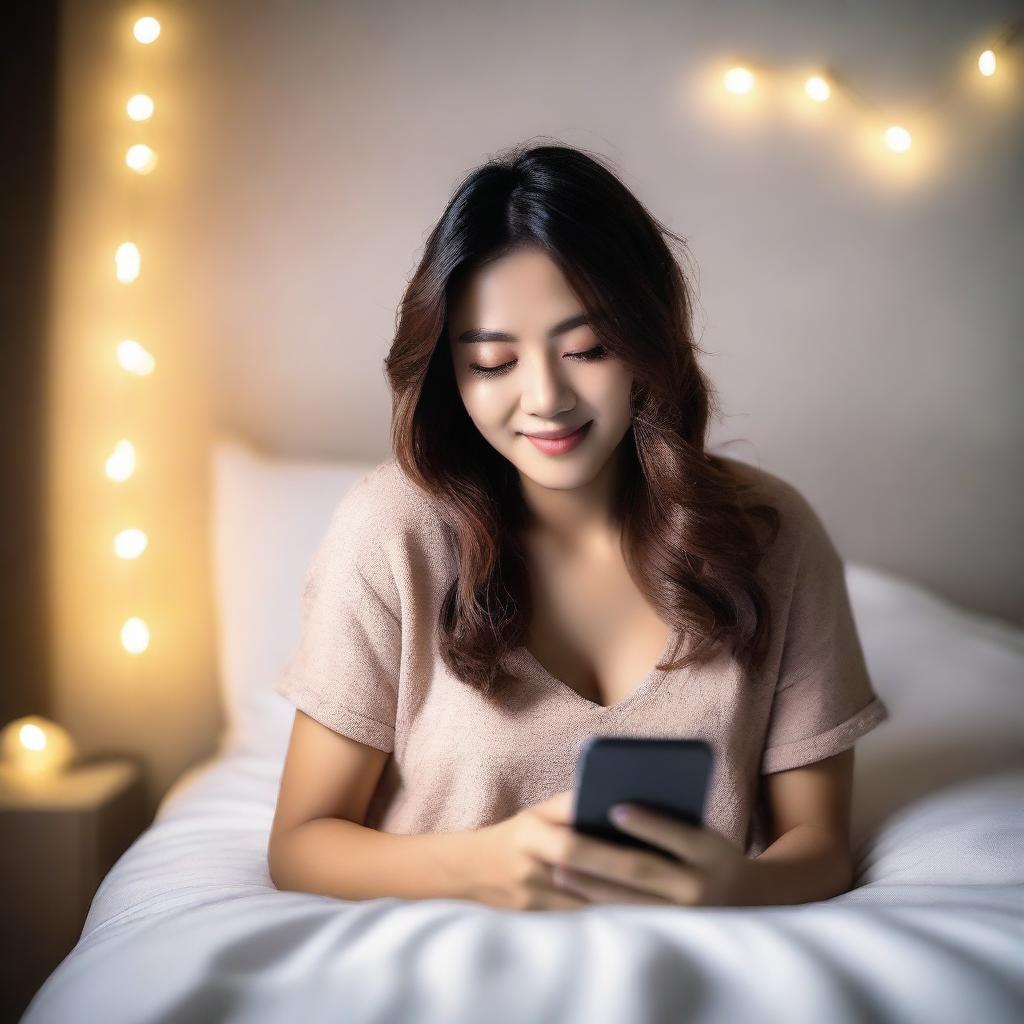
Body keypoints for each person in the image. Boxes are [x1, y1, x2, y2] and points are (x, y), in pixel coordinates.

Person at [267, 141, 890, 911]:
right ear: (448, 374)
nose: (547, 398)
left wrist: (738, 882)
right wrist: (479, 866)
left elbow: (820, 847)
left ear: (647, 345)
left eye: (588, 349)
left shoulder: (771, 534)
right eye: (494, 362)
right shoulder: (390, 533)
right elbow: (300, 844)